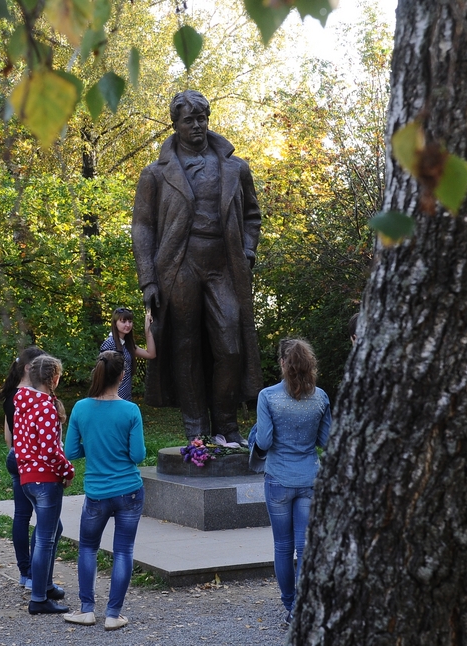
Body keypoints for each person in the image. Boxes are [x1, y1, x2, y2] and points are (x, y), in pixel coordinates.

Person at [132, 89, 262, 445]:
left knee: (230, 345)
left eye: (202, 118)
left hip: (224, 263)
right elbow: (143, 226)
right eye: (189, 120)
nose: (197, 125)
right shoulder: (155, 174)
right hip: (178, 263)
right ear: (174, 125)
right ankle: (196, 429)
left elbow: (252, 215)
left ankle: (226, 423)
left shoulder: (235, 166)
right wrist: (148, 279)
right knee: (185, 346)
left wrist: (248, 250)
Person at [248, 338, 331, 625]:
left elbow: (265, 440)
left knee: (283, 546)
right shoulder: (320, 397)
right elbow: (325, 440)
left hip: (279, 479)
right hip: (309, 477)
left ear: (283, 363)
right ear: (310, 365)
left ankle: (290, 605)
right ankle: (303, 606)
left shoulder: (268, 396)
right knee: (305, 547)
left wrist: (253, 437)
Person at [63, 351, 146, 631]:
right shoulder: (131, 411)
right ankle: (113, 614)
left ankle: (87, 610)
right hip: (129, 491)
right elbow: (137, 456)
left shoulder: (80, 408)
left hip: (97, 493)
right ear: (122, 376)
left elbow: (71, 451)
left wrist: (96, 446)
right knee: (123, 551)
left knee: (87, 547)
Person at [14, 354, 74, 615]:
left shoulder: (23, 403)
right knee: (46, 538)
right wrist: (67, 470)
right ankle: (39, 598)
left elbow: (21, 442)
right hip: (46, 478)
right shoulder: (46, 407)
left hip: (27, 477)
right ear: (54, 378)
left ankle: (45, 585)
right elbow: (50, 450)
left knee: (51, 529)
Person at [0, 346, 47, 590]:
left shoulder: (10, 395)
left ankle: (25, 572)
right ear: (30, 368)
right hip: (34, 461)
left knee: (21, 515)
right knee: (46, 519)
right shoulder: (34, 396)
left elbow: (8, 437)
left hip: (15, 456)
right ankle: (39, 573)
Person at [99, 307, 156, 401]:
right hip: (111, 399)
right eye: (123, 321)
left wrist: (147, 330)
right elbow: (102, 373)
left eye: (130, 321)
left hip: (125, 398)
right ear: (115, 323)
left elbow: (151, 354)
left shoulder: (127, 344)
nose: (128, 324)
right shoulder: (110, 343)